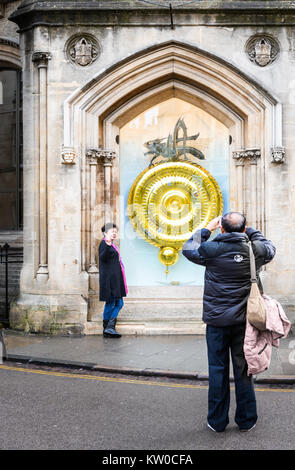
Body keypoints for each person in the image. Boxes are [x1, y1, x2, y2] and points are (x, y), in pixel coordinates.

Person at [182, 212, 276, 432]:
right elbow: (269, 246)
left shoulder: (211, 250)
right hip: (246, 323)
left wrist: (207, 229)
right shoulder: (255, 250)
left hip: (216, 322)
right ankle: (246, 419)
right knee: (244, 371)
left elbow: (188, 248)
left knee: (217, 370)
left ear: (221, 229)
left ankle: (217, 421)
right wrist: (250, 230)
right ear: (244, 230)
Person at [99, 223, 127, 338]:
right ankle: (108, 328)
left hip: (115, 280)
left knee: (118, 303)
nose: (114, 233)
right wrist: (107, 244)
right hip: (110, 281)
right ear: (105, 233)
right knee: (112, 303)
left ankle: (108, 328)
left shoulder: (111, 245)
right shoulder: (104, 244)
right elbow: (102, 257)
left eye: (115, 231)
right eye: (112, 231)